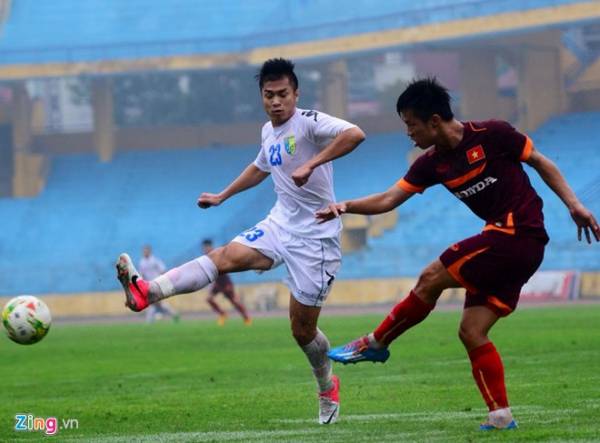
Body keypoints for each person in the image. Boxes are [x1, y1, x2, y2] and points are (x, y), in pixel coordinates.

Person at [318, 78, 600, 430]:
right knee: (471, 330)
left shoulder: (493, 134)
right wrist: (345, 206)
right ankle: (500, 416)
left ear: (434, 120)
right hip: (506, 244)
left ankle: (375, 342)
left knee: (431, 276)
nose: (409, 133)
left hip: (518, 234)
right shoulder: (431, 163)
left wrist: (575, 205)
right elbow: (388, 199)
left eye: (411, 124)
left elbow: (541, 162)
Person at [116, 58, 366, 424]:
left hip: (317, 237)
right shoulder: (268, 131)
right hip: (280, 224)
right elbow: (260, 167)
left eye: (283, 94)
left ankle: (327, 385)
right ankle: (148, 292)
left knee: (302, 330)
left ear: (296, 93)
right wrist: (222, 195)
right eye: (269, 95)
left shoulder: (311, 122)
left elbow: (355, 134)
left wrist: (312, 164)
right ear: (261, 97)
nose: (276, 101)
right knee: (224, 256)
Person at [201, 238, 252, 326]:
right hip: (217, 283)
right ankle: (222, 314)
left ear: (210, 246)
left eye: (207, 247)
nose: (205, 249)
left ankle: (246, 317)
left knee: (234, 301)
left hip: (225, 282)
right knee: (209, 299)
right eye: (204, 248)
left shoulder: (216, 254)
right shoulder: (205, 257)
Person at [137, 245, 179, 323]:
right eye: (144, 251)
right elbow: (141, 275)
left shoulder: (155, 260)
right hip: (148, 285)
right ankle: (174, 314)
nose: (145, 252)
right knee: (156, 303)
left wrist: (164, 281)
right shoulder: (142, 262)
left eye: (146, 251)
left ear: (150, 251)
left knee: (153, 302)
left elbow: (163, 269)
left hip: (156, 283)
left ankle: (149, 322)